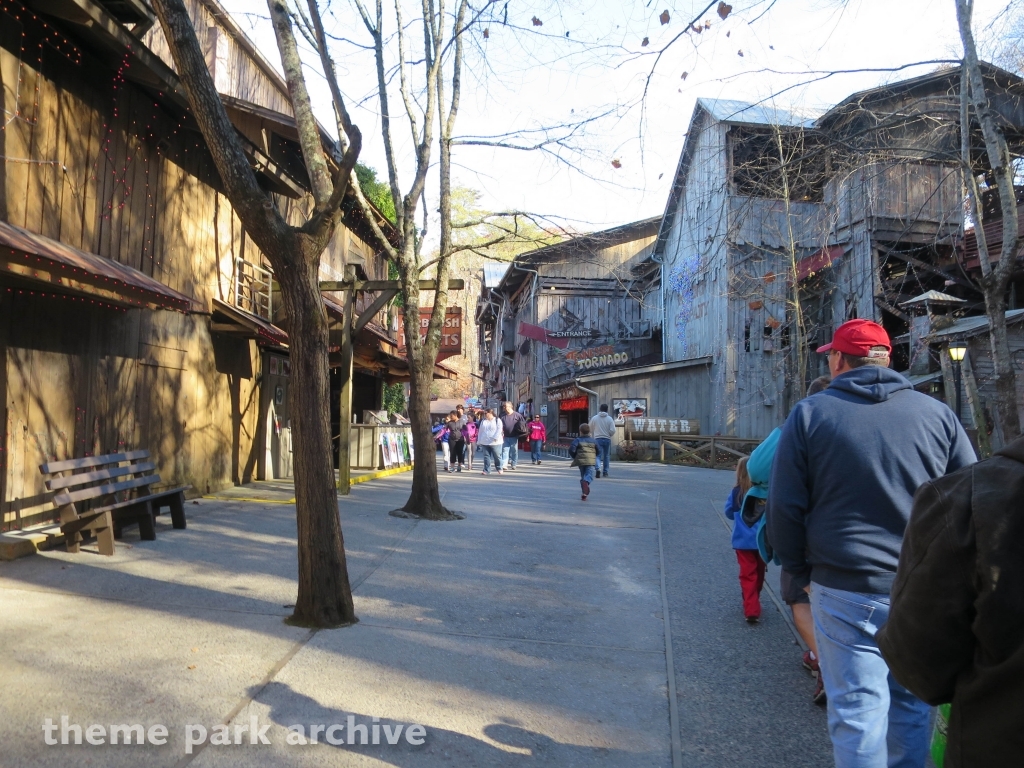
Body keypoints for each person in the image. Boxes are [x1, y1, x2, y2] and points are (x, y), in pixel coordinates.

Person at [767, 318, 976, 768]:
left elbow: (784, 506)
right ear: (887, 359)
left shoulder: (811, 414)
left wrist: (799, 572)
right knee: (912, 706)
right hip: (921, 587)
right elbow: (970, 499)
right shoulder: (937, 415)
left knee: (857, 714)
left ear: (838, 360)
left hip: (844, 583)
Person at [877, 435, 1024, 768]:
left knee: (856, 705)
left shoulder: (969, 497)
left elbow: (920, 668)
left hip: (995, 742)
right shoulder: (964, 483)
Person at [724, 456, 765, 623]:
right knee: (759, 573)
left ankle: (751, 608)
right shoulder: (762, 492)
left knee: (748, 574)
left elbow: (728, 512)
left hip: (742, 541)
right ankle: (754, 599)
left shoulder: (736, 492)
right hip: (761, 541)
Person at [569, 423, 598, 500]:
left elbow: (571, 449)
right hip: (590, 461)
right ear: (589, 432)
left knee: (583, 475)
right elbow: (599, 450)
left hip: (581, 461)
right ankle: (585, 485)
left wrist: (575, 456)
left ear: (580, 432)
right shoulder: (593, 441)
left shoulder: (577, 440)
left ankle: (584, 493)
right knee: (589, 475)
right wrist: (594, 455)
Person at [588, 404, 617, 478]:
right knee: (606, 456)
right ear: (607, 409)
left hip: (597, 439)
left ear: (600, 409)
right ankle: (605, 472)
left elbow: (589, 428)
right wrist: (609, 434)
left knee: (597, 455)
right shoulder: (610, 419)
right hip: (607, 439)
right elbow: (613, 430)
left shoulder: (595, 418)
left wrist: (592, 434)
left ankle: (598, 468)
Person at [499, 401, 528, 471]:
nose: (504, 408)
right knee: (504, 451)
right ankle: (504, 465)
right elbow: (499, 425)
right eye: (504, 406)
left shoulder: (517, 415)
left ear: (510, 406)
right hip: (505, 436)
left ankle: (514, 464)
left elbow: (524, 425)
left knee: (514, 451)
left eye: (505, 406)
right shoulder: (502, 415)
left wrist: (523, 433)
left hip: (514, 436)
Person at [477, 409, 504, 475]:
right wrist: (479, 440)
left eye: (486, 413)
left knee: (497, 456)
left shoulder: (497, 420)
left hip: (495, 442)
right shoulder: (483, 421)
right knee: (486, 456)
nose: (485, 415)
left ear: (491, 413)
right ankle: (486, 470)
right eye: (484, 413)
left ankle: (499, 468)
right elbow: (480, 431)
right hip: (485, 441)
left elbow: (499, 429)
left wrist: (495, 437)